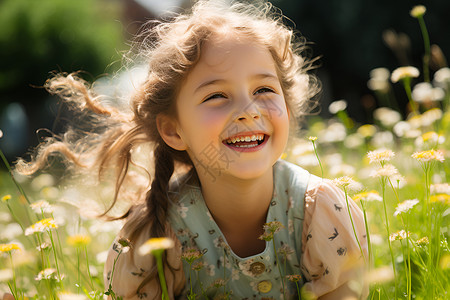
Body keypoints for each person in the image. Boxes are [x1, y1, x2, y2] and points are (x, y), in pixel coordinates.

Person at [16, 0, 368, 299]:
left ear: (288, 108)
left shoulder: (320, 212)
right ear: (173, 130)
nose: (249, 109)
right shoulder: (157, 235)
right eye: (217, 96)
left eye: (264, 89)